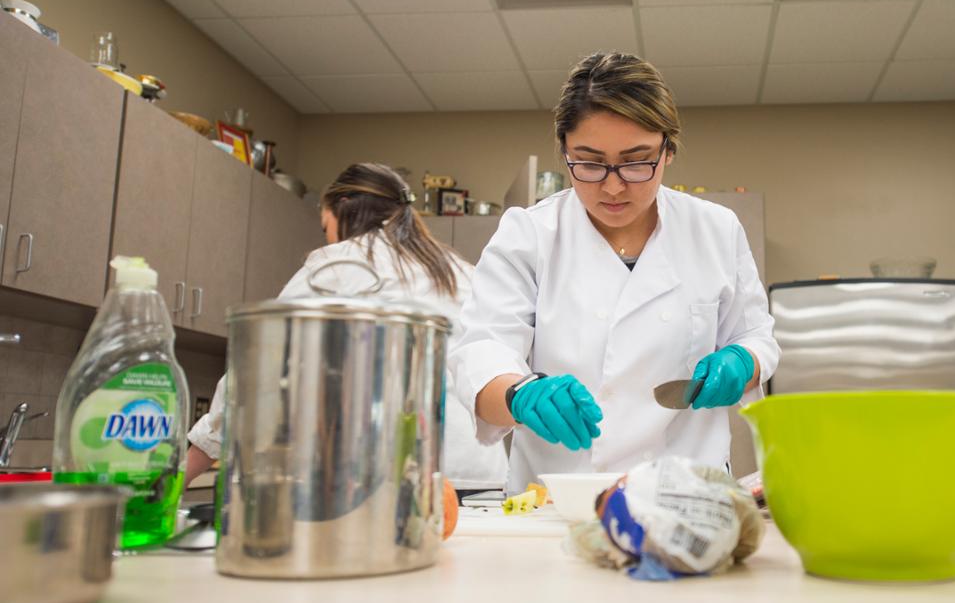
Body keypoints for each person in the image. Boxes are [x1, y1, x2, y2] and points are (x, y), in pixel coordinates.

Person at [450, 52, 778, 492]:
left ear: (668, 151)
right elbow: (482, 353)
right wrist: (518, 395)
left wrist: (743, 361)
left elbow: (756, 336)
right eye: (588, 162)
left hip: (688, 493)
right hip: (560, 498)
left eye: (636, 161)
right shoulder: (528, 235)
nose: (613, 185)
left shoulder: (715, 229)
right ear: (564, 152)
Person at [185, 162, 507, 489]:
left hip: (397, 479)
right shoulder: (458, 271)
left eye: (326, 227)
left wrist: (186, 470)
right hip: (483, 473)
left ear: (341, 211)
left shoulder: (339, 263)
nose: (328, 240)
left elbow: (254, 370)